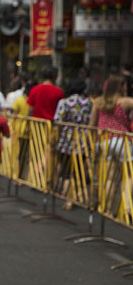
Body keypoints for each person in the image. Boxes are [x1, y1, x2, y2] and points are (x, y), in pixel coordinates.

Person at [53, 78, 92, 210]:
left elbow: (58, 121)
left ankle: (68, 199)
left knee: (67, 172)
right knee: (78, 172)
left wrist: (55, 138)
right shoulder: (88, 103)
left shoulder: (64, 102)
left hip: (66, 141)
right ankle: (78, 197)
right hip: (82, 141)